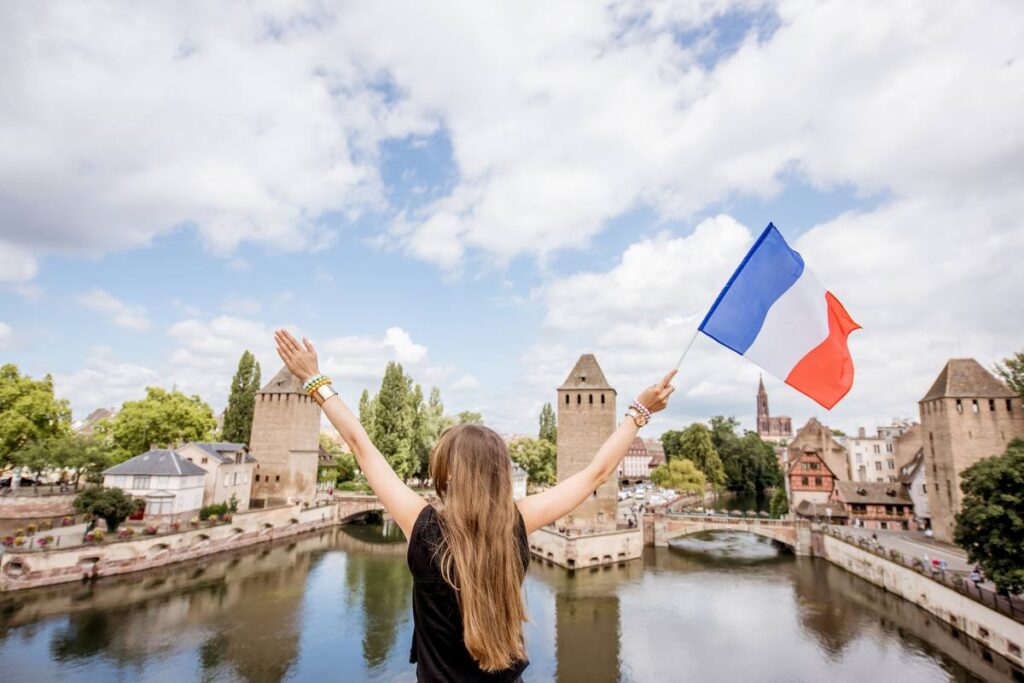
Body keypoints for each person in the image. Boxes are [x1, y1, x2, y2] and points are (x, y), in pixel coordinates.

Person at [274, 330, 676, 682]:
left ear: (445, 474)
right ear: (501, 473)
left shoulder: (421, 524)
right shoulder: (518, 521)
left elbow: (361, 445)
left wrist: (314, 379)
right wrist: (639, 412)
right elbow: (596, 474)